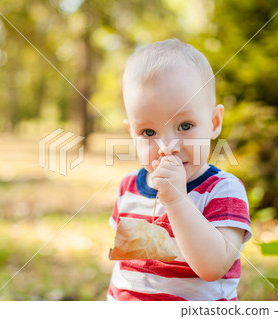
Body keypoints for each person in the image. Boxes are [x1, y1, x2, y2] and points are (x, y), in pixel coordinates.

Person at [107, 39, 252, 301]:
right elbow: (129, 271)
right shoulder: (128, 187)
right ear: (132, 133)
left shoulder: (224, 191)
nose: (167, 146)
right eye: (148, 132)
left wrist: (176, 199)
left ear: (214, 122)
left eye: (185, 126)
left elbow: (213, 266)